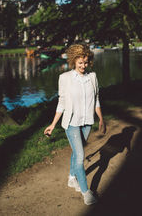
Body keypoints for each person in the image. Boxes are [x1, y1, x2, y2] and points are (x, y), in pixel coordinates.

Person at [44, 44, 106, 205]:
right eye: (80, 63)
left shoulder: (92, 77)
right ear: (73, 61)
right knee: (80, 156)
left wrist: (101, 119)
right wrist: (52, 124)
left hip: (87, 122)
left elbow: (96, 99)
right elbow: (62, 103)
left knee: (76, 152)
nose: (83, 66)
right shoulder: (65, 78)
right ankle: (86, 192)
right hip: (71, 123)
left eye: (86, 62)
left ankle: (72, 178)